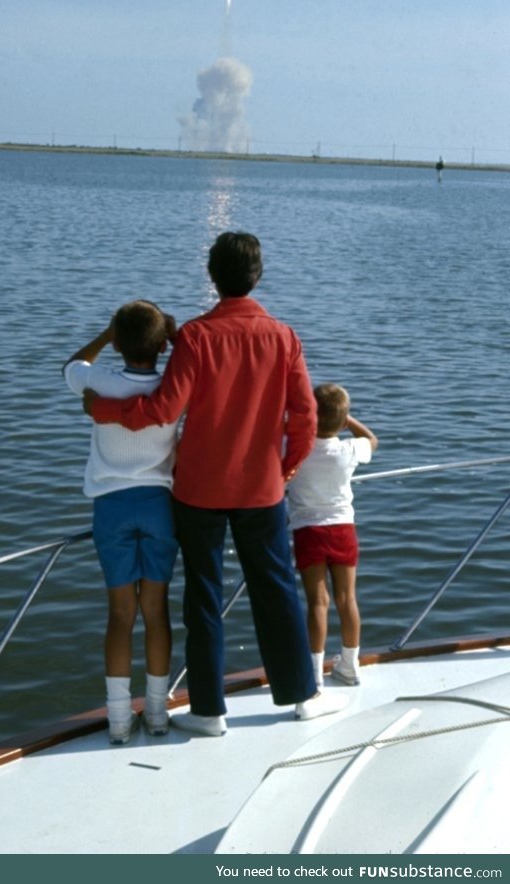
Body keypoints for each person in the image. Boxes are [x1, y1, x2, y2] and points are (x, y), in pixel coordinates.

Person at [85, 232, 349, 736]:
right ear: (258, 275)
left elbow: (163, 409)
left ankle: (208, 710)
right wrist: (286, 469)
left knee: (203, 596)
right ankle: (301, 695)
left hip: (198, 491)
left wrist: (103, 408)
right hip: (261, 490)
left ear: (213, 275)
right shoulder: (284, 337)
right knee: (277, 592)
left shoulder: (196, 338)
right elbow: (306, 418)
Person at [63, 300, 180, 744]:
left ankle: (117, 720)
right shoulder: (173, 385)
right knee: (156, 612)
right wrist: (170, 337)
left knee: (119, 615)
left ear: (118, 341)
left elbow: (71, 365)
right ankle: (156, 714)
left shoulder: (99, 381)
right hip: (158, 506)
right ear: (160, 345)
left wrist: (105, 335)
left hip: (110, 507)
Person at [286, 383, 378, 690]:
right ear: (341, 421)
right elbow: (371, 441)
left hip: (308, 530)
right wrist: (346, 420)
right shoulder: (348, 449)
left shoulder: (298, 448)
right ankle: (350, 665)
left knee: (317, 602)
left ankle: (313, 673)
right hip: (342, 529)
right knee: (346, 598)